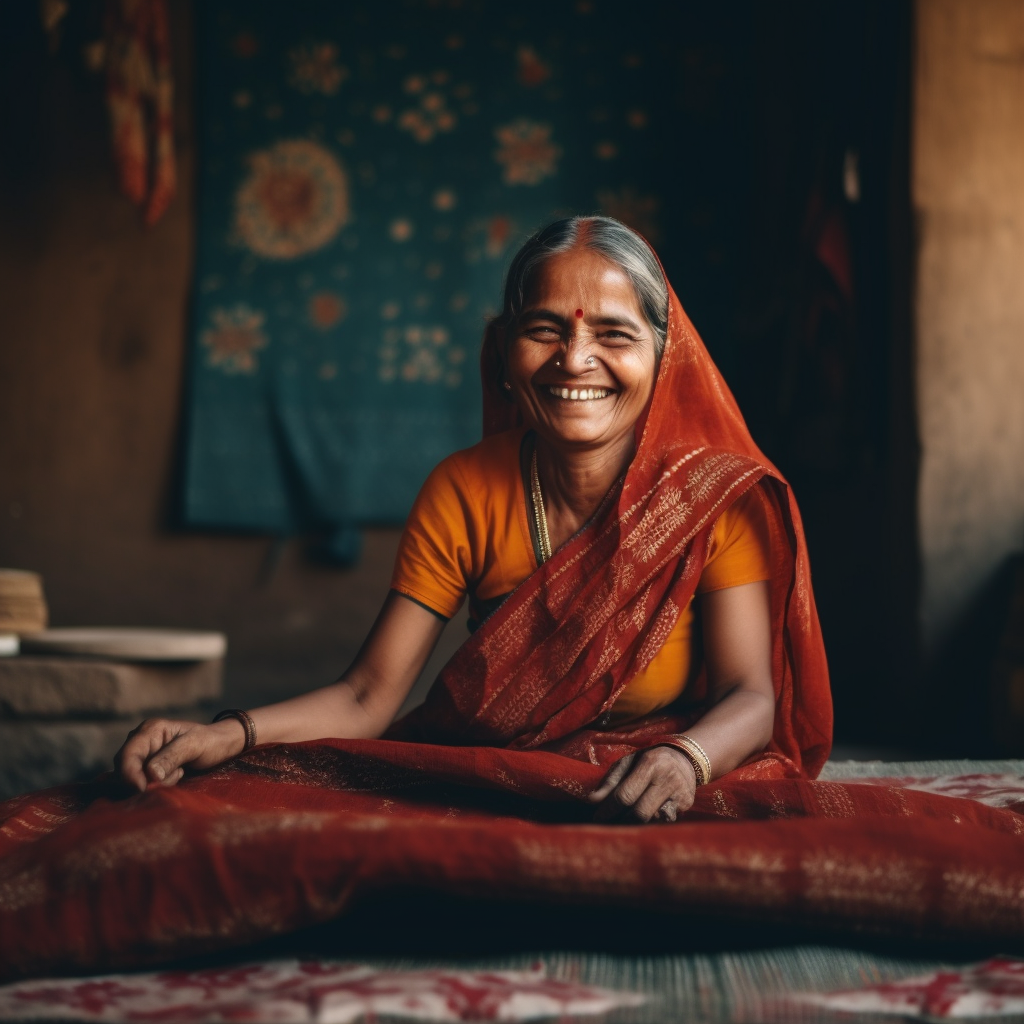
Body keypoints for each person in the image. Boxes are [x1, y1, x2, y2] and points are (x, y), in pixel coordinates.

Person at [115, 216, 831, 822]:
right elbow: (369, 697)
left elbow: (750, 696)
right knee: (214, 821)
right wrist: (229, 734)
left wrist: (685, 760)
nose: (575, 359)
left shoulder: (710, 499)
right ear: (505, 355)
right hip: (495, 783)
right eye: (544, 329)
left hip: (653, 779)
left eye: (614, 335)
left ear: (664, 356)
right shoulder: (463, 490)